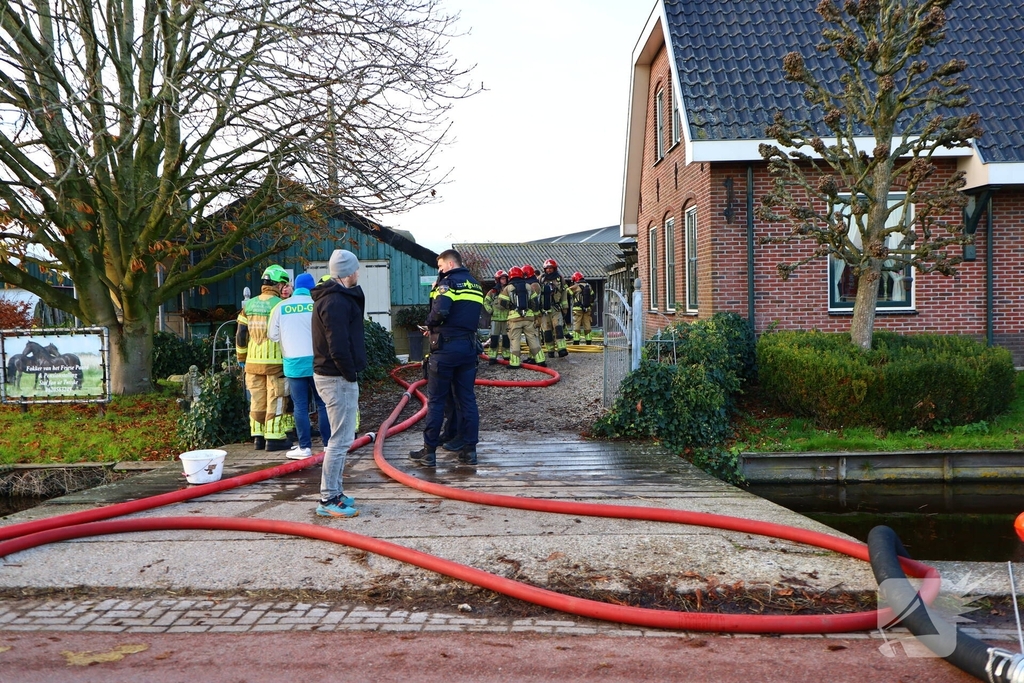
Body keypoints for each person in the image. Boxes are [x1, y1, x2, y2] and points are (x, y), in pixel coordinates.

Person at [409, 249, 484, 467]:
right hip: (468, 347)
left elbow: (440, 312)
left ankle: (429, 452)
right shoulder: (475, 285)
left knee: (436, 400)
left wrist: (430, 325)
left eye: (441, 266)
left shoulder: (447, 284)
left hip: (445, 349)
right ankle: (470, 451)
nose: (440, 270)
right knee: (467, 399)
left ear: (450, 264)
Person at [311, 249, 366, 518]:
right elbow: (338, 345)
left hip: (333, 375)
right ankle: (328, 498)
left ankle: (335, 491)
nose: (358, 273)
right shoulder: (335, 302)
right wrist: (350, 374)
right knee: (340, 440)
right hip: (336, 377)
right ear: (347, 273)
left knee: (341, 438)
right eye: (355, 269)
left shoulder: (334, 297)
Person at [268, 272, 330, 460]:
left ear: (295, 287)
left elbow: (272, 335)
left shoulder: (280, 307)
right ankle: (328, 446)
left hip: (293, 364)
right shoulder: (318, 305)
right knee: (323, 404)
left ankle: (304, 448)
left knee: (300, 406)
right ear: (312, 288)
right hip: (317, 363)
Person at [236, 264, 290, 451]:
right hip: (275, 363)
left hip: (252, 362)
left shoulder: (249, 305)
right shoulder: (280, 305)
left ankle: (258, 437)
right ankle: (274, 438)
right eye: (283, 284)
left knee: (257, 399)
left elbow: (241, 334)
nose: (284, 288)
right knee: (276, 397)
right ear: (278, 284)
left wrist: (241, 356)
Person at [497, 266, 545, 369]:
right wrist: (535, 314)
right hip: (528, 318)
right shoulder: (529, 286)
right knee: (533, 338)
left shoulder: (508, 288)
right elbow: (535, 302)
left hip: (514, 319)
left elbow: (501, 302)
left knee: (515, 340)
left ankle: (515, 363)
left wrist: (510, 306)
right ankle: (541, 360)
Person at [538, 258, 569, 359]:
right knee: (547, 331)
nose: (549, 270)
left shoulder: (560, 278)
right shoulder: (540, 279)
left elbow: (564, 293)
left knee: (558, 328)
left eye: (551, 268)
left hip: (556, 308)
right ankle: (550, 350)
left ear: (554, 268)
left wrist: (565, 307)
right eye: (547, 268)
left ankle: (562, 349)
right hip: (544, 310)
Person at [483, 269, 511, 364]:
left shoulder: (509, 290)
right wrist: (490, 311)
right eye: (502, 279)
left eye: (505, 278)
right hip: (495, 319)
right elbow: (486, 302)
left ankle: (506, 355)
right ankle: (492, 357)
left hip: (507, 318)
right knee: (494, 339)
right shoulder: (493, 291)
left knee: (506, 339)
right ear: (498, 280)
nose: (504, 280)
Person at [568, 271, 595, 344]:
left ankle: (576, 341)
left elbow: (568, 291)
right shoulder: (589, 286)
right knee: (587, 324)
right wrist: (589, 306)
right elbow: (592, 297)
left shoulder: (576, 286)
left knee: (576, 324)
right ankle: (588, 341)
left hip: (577, 309)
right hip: (587, 309)